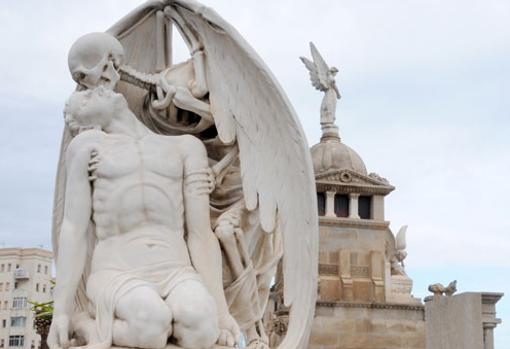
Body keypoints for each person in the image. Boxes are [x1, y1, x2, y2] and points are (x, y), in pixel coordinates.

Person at [49, 87, 240, 349]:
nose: (95, 91)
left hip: (176, 269)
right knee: (149, 325)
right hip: (117, 270)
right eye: (84, 99)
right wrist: (62, 311)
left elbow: (200, 234)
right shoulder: (88, 147)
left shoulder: (186, 147)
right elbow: (73, 229)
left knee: (203, 328)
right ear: (86, 124)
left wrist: (221, 311)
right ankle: (87, 325)